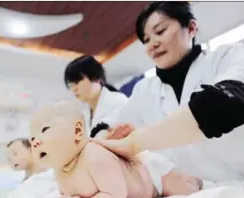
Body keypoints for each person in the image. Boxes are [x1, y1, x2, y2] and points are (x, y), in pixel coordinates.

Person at [94, 2, 244, 182]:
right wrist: (103, 137)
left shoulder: (227, 57)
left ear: (191, 28)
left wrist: (135, 143)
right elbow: (114, 120)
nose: (152, 45)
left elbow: (225, 102)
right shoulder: (145, 90)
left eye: (160, 31)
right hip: (190, 194)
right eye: (146, 39)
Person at [30, 101, 202, 198]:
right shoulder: (59, 171)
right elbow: (68, 197)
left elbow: (115, 196)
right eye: (32, 137)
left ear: (77, 131)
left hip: (152, 174)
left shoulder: (93, 155)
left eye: (44, 130)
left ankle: (195, 179)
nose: (35, 142)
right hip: (144, 184)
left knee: (184, 189)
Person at [64, 55, 129, 138]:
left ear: (96, 77)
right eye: (71, 85)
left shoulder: (118, 101)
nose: (74, 89)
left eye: (77, 82)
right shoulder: (84, 115)